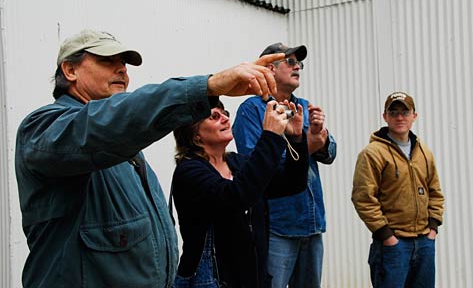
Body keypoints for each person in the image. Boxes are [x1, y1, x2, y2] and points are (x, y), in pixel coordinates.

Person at [14, 29, 285, 288]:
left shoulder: (120, 141)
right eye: (107, 61)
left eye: (123, 62)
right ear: (70, 70)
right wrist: (208, 86)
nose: (122, 69)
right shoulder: (44, 129)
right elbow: (107, 124)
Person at [172, 99, 309, 288]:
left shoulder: (237, 163)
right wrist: (270, 135)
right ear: (195, 135)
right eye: (214, 116)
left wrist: (296, 139)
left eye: (225, 113)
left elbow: (293, 182)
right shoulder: (190, 172)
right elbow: (237, 197)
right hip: (210, 282)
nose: (225, 119)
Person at [232, 42, 337, 288]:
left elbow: (331, 151)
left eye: (299, 63)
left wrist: (321, 138)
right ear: (270, 68)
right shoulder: (252, 110)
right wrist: (307, 146)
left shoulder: (303, 105)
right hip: (277, 226)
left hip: (312, 222)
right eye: (290, 62)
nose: (297, 67)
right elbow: (253, 167)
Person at [351, 91, 445, 288]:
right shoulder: (372, 154)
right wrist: (387, 236)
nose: (399, 118)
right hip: (393, 247)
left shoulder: (424, 153)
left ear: (414, 116)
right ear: (385, 117)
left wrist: (433, 228)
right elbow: (363, 198)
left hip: (424, 244)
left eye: (405, 112)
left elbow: (435, 191)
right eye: (393, 113)